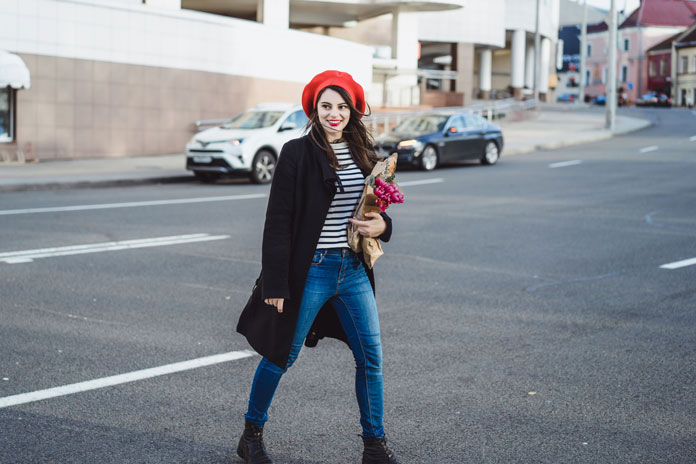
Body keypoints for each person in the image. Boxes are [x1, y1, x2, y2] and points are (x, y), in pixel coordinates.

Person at [236, 70, 400, 464]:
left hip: (353, 270)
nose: (334, 114)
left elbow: (373, 214)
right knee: (282, 354)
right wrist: (274, 284)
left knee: (371, 358)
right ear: (314, 109)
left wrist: (385, 225)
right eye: (326, 106)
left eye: (342, 107)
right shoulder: (296, 152)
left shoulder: (365, 154)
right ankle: (251, 435)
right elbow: (278, 222)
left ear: (353, 110)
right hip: (311, 270)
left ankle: (374, 447)